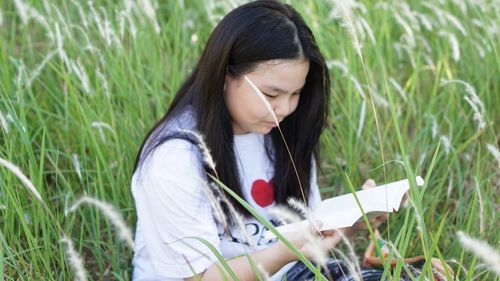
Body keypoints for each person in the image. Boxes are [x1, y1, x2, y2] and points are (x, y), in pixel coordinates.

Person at [131, 1, 387, 280]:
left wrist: (349, 221)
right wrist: (285, 252)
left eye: (295, 93)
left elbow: (305, 228)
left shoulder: (286, 130)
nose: (285, 109)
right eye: (271, 94)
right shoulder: (175, 158)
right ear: (225, 76)